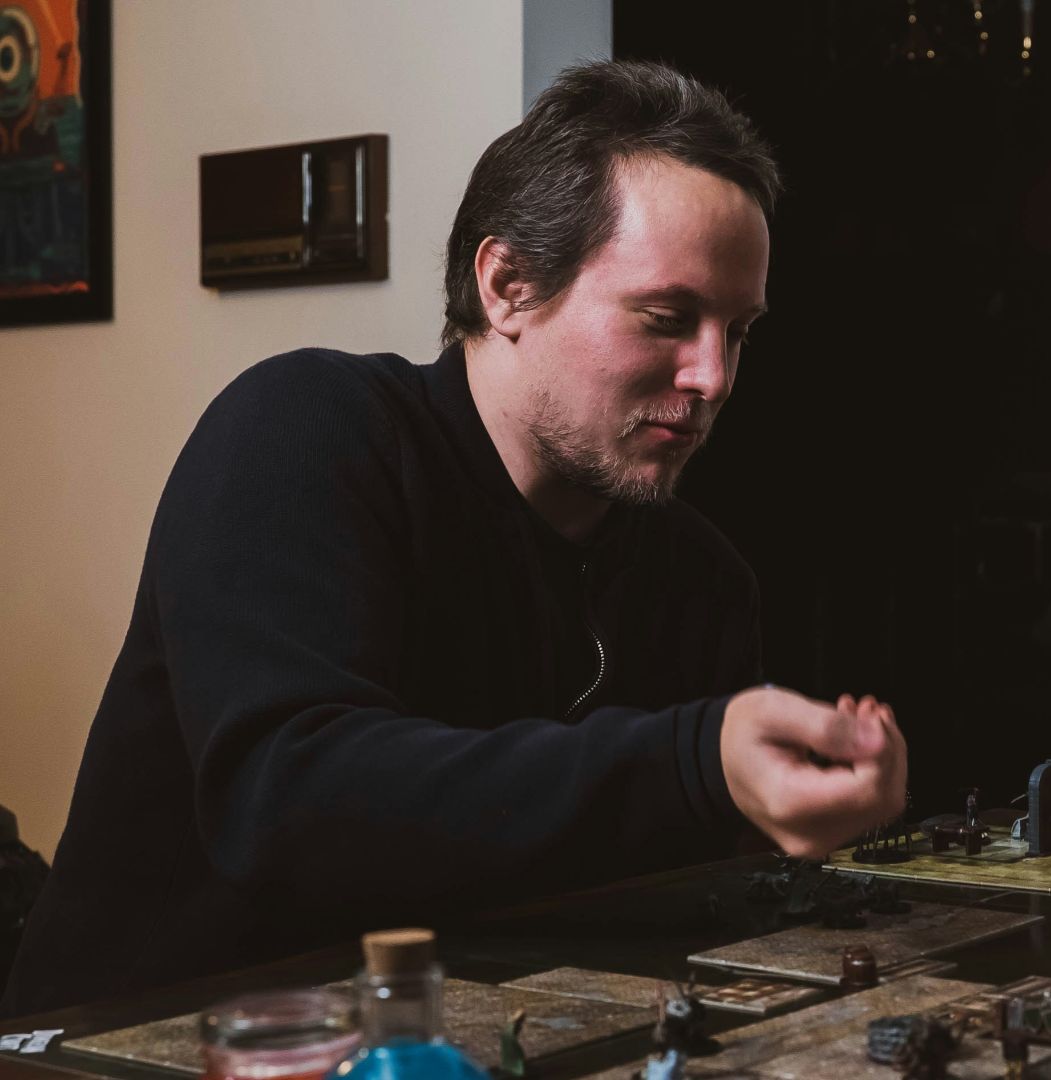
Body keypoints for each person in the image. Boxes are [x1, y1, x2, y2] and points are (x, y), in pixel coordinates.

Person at [2, 61, 907, 1016]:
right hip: (143, 1041)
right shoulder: (305, 432)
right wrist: (694, 763)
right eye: (667, 319)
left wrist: (777, 820)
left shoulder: (702, 578)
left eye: (739, 330)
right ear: (508, 284)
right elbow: (292, 807)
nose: (713, 376)